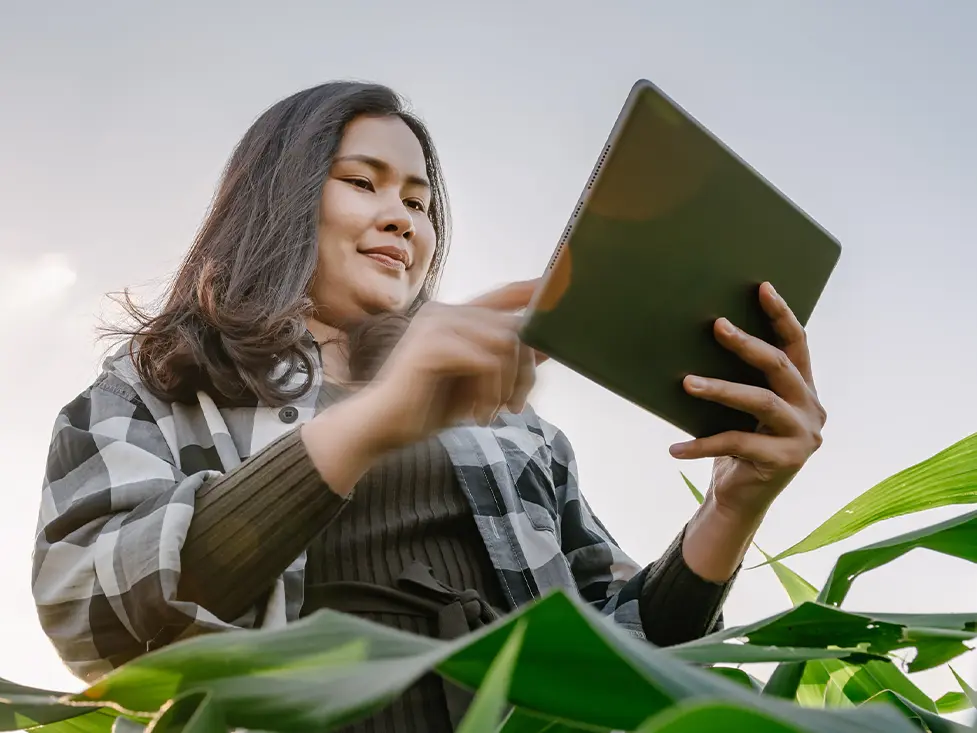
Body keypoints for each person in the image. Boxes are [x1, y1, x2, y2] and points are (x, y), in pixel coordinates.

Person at [32, 82, 826, 732]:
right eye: (362, 182)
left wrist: (732, 506)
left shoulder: (517, 432)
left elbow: (622, 649)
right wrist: (371, 421)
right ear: (278, 198)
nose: (402, 218)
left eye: (419, 201)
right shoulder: (151, 388)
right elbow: (93, 617)